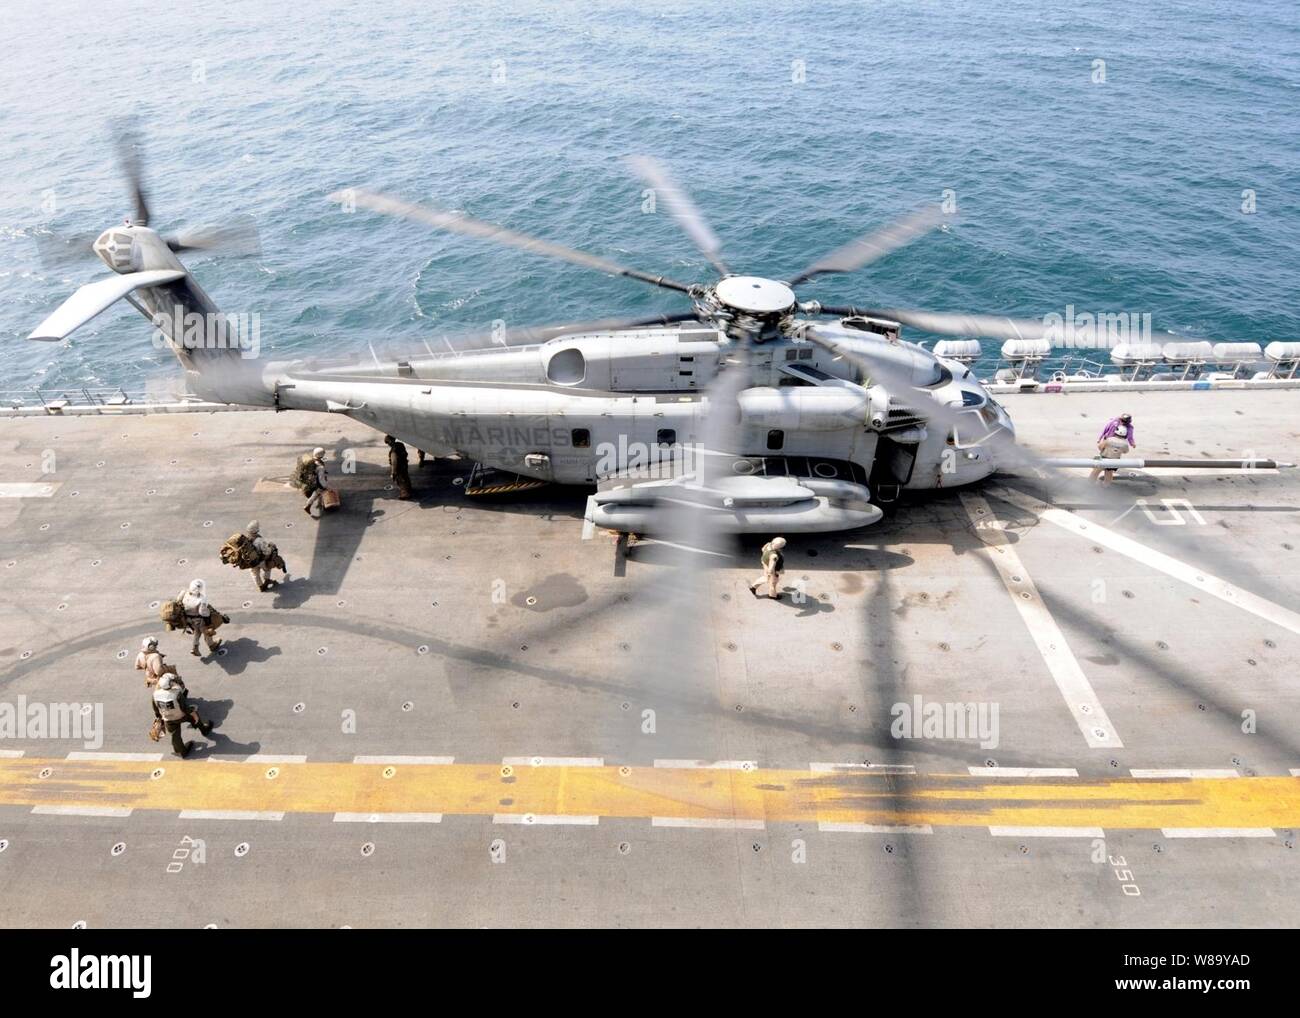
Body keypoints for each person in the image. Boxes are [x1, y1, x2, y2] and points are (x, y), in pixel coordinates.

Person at [151, 673, 213, 757]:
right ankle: (204, 730)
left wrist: (160, 718)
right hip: (181, 715)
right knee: (195, 716)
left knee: (175, 735)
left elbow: (156, 709)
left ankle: (182, 751)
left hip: (168, 719)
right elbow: (185, 708)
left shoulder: (155, 694)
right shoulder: (176, 693)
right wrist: (193, 714)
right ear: (170, 684)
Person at [180, 578, 224, 657]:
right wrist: (209, 618)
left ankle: (195, 647)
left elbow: (178, 602)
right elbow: (203, 612)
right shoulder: (201, 599)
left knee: (197, 632)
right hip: (199, 620)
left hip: (188, 619)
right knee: (207, 632)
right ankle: (212, 645)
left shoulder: (184, 593)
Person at [1089, 412, 1136, 485]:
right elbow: (1126, 451)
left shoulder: (1109, 438)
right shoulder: (1125, 442)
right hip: (1115, 459)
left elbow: (1100, 446)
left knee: (1096, 470)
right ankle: (1106, 487)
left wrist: (1103, 448)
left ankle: (1089, 484)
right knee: (1109, 473)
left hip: (1105, 454)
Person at [244, 520, 287, 592]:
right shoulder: (259, 540)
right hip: (260, 561)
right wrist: (271, 547)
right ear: (257, 530)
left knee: (254, 574)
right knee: (267, 569)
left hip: (251, 562)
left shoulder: (245, 539)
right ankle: (266, 580)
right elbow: (267, 552)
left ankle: (260, 586)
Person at [302, 447, 330, 516]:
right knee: (317, 493)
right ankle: (307, 506)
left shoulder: (310, 461)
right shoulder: (320, 467)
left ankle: (320, 503)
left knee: (318, 492)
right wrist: (325, 486)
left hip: (309, 481)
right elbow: (321, 479)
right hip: (315, 483)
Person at [385, 435, 413, 500]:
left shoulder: (393, 451)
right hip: (404, 464)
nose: (388, 444)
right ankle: (409, 488)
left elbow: (394, 462)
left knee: (400, 481)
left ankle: (405, 494)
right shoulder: (400, 445)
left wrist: (393, 472)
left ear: (390, 441)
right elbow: (405, 453)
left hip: (399, 468)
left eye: (388, 442)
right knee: (406, 477)